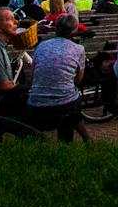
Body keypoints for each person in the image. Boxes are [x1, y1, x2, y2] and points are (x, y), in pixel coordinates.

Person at [28, 13, 91, 141]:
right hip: (64, 104)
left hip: (36, 102)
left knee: (68, 101)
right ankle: (71, 141)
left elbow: (33, 73)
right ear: (74, 30)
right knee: (70, 101)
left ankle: (86, 138)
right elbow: (78, 80)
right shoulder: (78, 49)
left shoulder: (42, 46)